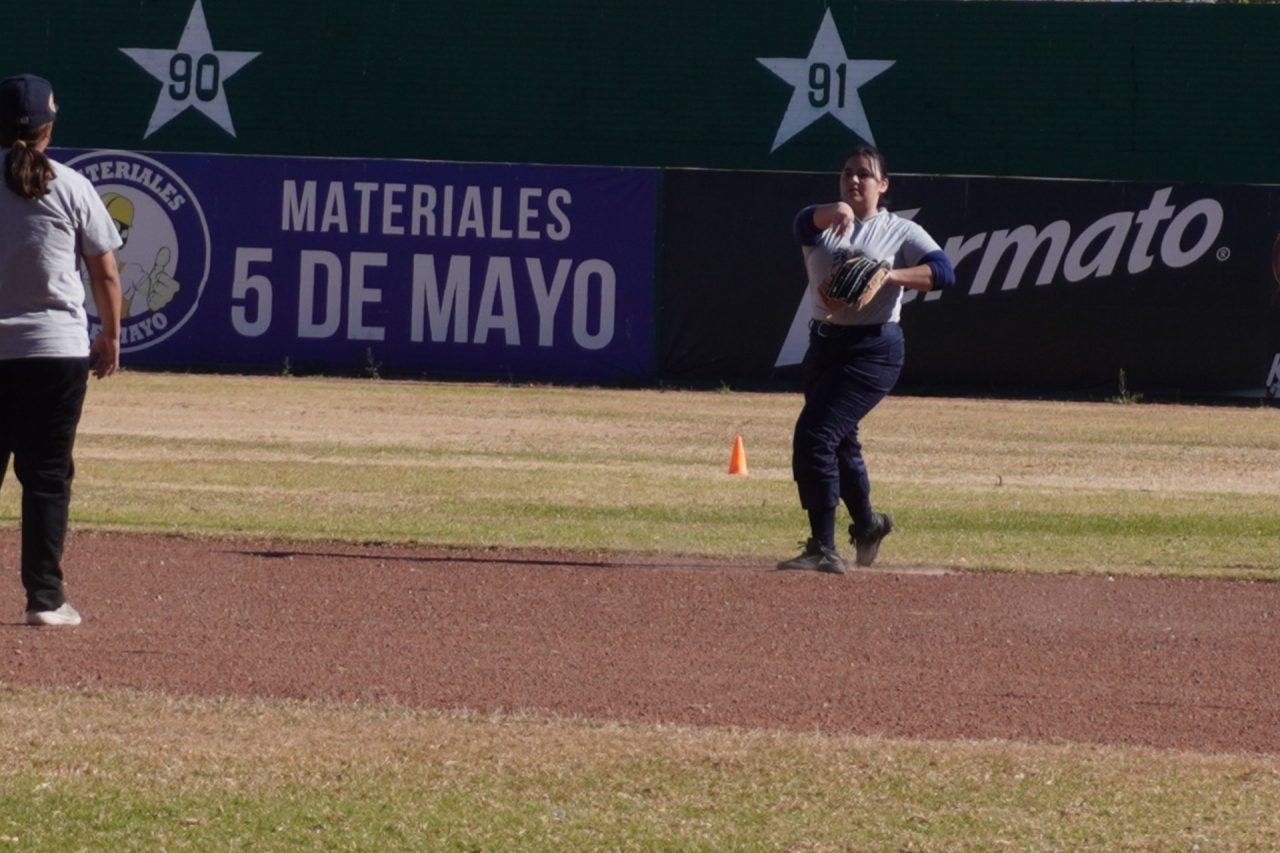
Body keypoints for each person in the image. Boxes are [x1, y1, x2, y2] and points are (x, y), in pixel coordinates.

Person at [778, 145, 954, 574]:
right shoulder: (823, 225)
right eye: (847, 173)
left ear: (883, 184)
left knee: (815, 436)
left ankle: (823, 547)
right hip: (823, 345)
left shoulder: (899, 230)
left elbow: (943, 272)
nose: (854, 180)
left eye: (864, 174)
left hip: (874, 349)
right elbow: (802, 222)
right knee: (840, 442)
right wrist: (834, 210)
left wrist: (890, 275)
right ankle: (869, 524)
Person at [0, 74, 123, 626]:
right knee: (47, 476)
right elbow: (106, 274)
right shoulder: (72, 185)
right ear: (48, 128)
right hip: (55, 351)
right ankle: (46, 599)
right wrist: (111, 337)